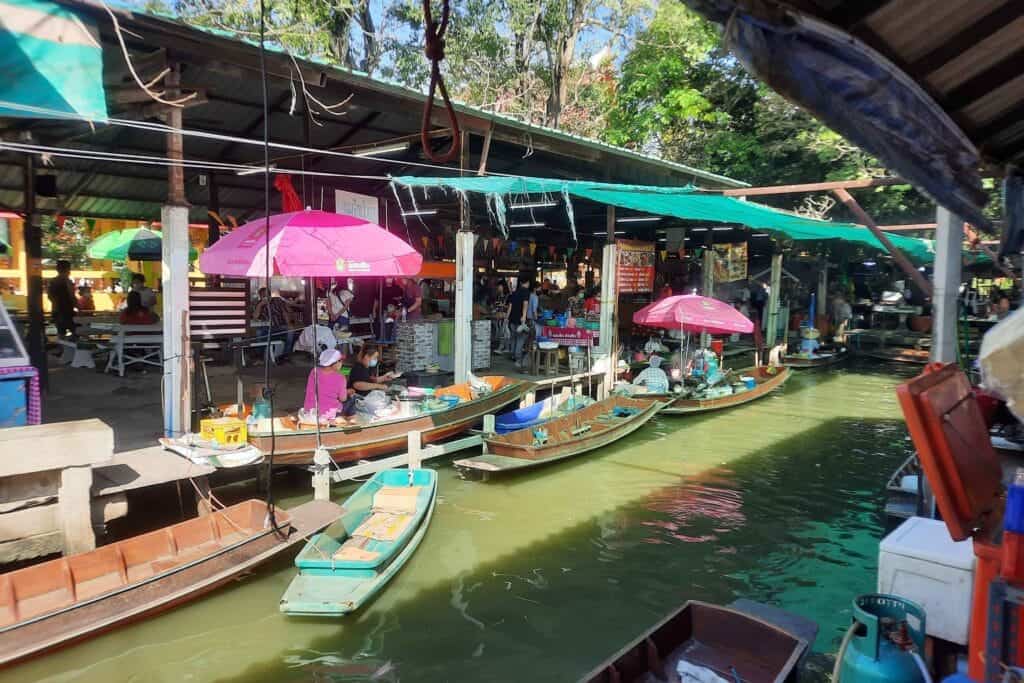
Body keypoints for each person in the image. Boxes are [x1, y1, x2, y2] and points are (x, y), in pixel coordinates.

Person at [303, 348, 349, 418]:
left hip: (309, 411)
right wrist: (346, 390)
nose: (342, 363)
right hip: (328, 414)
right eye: (340, 361)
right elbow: (343, 398)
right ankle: (350, 422)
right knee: (351, 400)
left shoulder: (314, 371)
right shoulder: (341, 378)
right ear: (334, 363)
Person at [254, 286, 295, 360]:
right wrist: (260, 305)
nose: (266, 297)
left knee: (291, 330)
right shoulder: (259, 304)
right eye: (263, 295)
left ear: (270, 294)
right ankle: (259, 355)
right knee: (258, 332)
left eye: (267, 294)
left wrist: (289, 323)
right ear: (260, 296)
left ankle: (286, 355)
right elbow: (255, 317)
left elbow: (284, 312)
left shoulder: (277, 300)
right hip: (266, 328)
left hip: (280, 326)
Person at [47, 260, 76, 338]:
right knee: (75, 332)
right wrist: (77, 307)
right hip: (67, 311)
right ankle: (71, 348)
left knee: (61, 333)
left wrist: (56, 304)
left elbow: (49, 296)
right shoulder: (67, 281)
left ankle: (62, 348)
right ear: (68, 269)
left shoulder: (52, 281)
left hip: (56, 310)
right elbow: (71, 296)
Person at [508, 278, 532, 367]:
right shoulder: (526, 292)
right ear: (527, 283)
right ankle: (518, 358)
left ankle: (513, 355)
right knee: (520, 339)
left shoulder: (514, 292)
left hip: (512, 319)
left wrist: (507, 318)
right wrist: (524, 316)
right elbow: (525, 304)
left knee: (513, 337)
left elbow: (510, 307)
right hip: (520, 319)